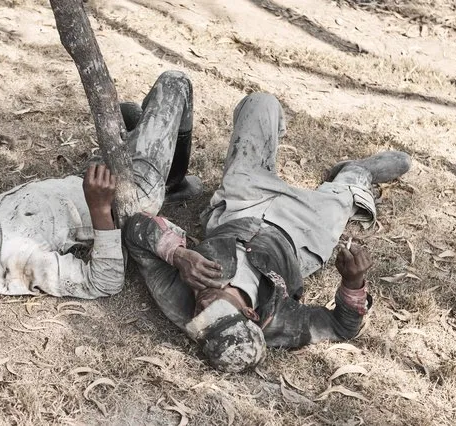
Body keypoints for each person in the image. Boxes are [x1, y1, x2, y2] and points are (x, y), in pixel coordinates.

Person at [123, 92, 412, 372]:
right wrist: (354, 281)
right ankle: (357, 171)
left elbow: (136, 228)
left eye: (199, 319)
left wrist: (176, 254)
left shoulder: (178, 298)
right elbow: (342, 326)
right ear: (250, 314)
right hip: (302, 235)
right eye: (214, 312)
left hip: (240, 207)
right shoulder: (279, 322)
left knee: (260, 103)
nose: (201, 307)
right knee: (348, 194)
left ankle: (264, 162)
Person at [0, 71, 201, 304]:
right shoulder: (20, 263)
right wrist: (100, 209)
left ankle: (160, 166)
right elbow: (104, 282)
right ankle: (171, 184)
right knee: (174, 83)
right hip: (124, 196)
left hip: (87, 178)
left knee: (125, 113)